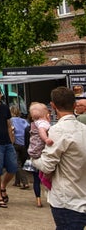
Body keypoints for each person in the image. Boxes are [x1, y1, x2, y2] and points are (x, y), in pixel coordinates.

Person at [32, 86, 86, 229]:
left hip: (66, 200)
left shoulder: (57, 130)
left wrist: (32, 158)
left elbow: (46, 165)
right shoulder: (83, 129)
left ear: (53, 106)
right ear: (74, 105)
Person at [28, 102, 54, 208]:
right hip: (40, 151)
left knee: (36, 178)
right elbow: (42, 132)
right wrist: (46, 139)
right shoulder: (43, 124)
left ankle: (38, 199)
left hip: (34, 152)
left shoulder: (34, 123)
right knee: (46, 173)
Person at [10, 105, 29, 189]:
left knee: (17, 164)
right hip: (24, 144)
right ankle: (17, 181)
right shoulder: (24, 121)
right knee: (21, 162)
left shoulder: (10, 121)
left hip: (15, 143)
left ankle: (25, 182)